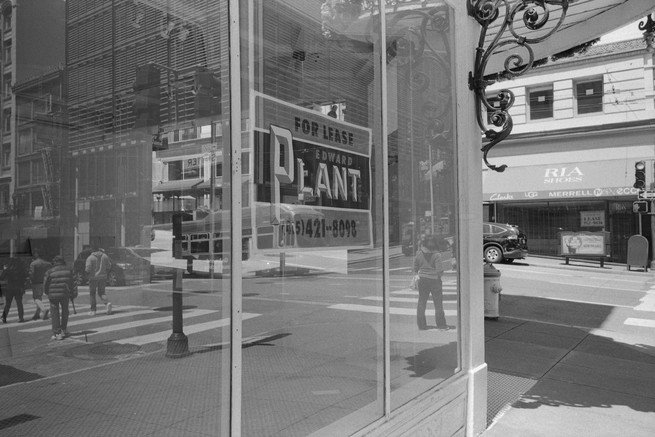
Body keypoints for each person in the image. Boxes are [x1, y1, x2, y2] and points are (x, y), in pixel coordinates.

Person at [413, 234, 448, 331]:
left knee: (421, 302)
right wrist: (439, 275)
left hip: (423, 280)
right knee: (438, 304)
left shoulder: (418, 253)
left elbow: (415, 267)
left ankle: (422, 325)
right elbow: (439, 270)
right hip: (434, 280)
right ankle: (441, 325)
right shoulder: (436, 255)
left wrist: (417, 274)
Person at [43, 255, 73, 340]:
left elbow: (45, 284)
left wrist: (46, 292)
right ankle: (64, 329)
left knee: (55, 313)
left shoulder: (50, 271)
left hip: (53, 294)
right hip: (65, 293)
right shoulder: (69, 270)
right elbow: (72, 283)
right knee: (65, 311)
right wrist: (73, 294)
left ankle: (57, 333)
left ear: (55, 262)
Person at [85, 242, 112, 315]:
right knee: (101, 292)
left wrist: (88, 274)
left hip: (93, 278)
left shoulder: (90, 258)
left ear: (92, 249)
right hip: (103, 277)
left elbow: (88, 269)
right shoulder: (104, 256)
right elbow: (109, 266)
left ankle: (93, 310)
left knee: (92, 293)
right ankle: (107, 303)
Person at [1, 257, 28, 323]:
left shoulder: (8, 269)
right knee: (19, 303)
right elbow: (25, 277)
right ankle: (21, 317)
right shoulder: (21, 270)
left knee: (8, 304)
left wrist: (5, 269)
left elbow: (1, 277)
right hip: (18, 288)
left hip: (9, 288)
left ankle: (4, 317)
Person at [29, 250, 51, 320]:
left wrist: (30, 280)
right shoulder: (47, 264)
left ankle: (43, 309)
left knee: (36, 298)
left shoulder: (33, 264)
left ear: (37, 254)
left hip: (35, 282)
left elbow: (31, 274)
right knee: (39, 298)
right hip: (43, 282)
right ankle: (37, 314)